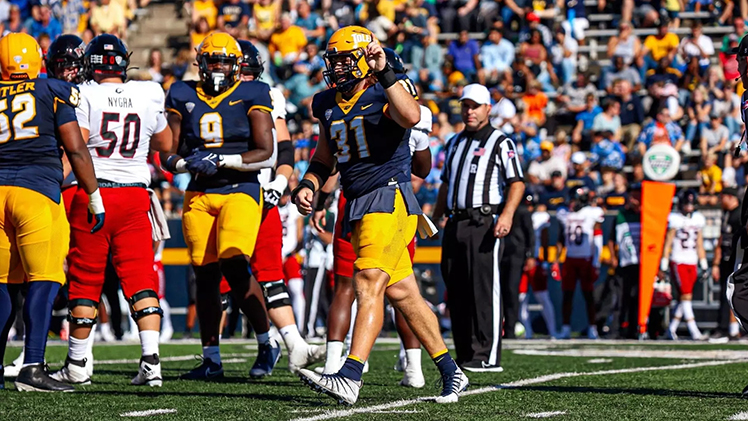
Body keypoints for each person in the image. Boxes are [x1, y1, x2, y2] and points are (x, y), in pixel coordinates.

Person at [293, 26, 466, 405]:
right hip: (357, 201)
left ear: (362, 60)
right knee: (404, 293)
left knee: (368, 281)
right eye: (332, 61)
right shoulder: (325, 103)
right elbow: (325, 156)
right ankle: (452, 372)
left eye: (343, 60)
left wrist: (385, 71)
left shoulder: (384, 89)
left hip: (389, 196)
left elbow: (411, 115)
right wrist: (308, 184)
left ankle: (350, 375)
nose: (336, 68)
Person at [50, 34, 171, 388]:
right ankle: (151, 362)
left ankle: (77, 364)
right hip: (135, 195)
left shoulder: (85, 92)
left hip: (94, 193)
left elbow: (78, 145)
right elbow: (165, 144)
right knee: (140, 277)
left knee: (85, 278)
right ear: (123, 61)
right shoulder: (149, 92)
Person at [162, 32, 281, 380]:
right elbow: (167, 151)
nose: (217, 67)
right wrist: (187, 165)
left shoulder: (254, 92)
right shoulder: (181, 93)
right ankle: (211, 358)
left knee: (235, 263)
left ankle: (266, 342)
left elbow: (265, 151)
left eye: (224, 61)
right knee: (204, 276)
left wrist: (224, 160)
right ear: (200, 63)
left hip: (240, 188)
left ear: (235, 65)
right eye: (211, 61)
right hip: (199, 192)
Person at [0, 32, 103, 392]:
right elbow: (75, 150)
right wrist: (94, 196)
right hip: (36, 192)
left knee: (2, 286)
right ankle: (32, 366)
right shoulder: (52, 90)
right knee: (44, 280)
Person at [433, 83, 525, 371]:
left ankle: (487, 354)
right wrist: (436, 216)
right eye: (465, 105)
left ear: (488, 108)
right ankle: (465, 352)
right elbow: (445, 182)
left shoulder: (500, 142)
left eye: (475, 106)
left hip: (483, 221)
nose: (469, 111)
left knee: (483, 288)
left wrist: (507, 216)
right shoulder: (454, 143)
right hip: (455, 220)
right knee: (456, 288)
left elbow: (517, 182)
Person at [555, 187, 604, 339]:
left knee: (588, 295)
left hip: (585, 259)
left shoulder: (591, 212)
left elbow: (597, 237)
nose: (571, 203)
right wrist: (556, 260)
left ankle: (592, 327)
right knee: (567, 295)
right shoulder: (564, 214)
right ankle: (565, 327)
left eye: (574, 200)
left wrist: (596, 262)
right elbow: (561, 238)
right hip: (570, 258)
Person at [661, 189, 707, 341]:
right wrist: (665, 261)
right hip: (678, 259)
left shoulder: (698, 219)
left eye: (691, 204)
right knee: (686, 295)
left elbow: (699, 243)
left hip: (692, 260)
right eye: (686, 204)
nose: (689, 207)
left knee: (685, 297)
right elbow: (668, 242)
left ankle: (671, 329)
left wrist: (703, 262)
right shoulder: (674, 219)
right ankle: (694, 331)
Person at [518, 194, 557, 338]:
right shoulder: (519, 215)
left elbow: (545, 240)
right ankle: (528, 331)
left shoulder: (540, 217)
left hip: (536, 261)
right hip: (521, 261)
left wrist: (545, 261)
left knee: (543, 297)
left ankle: (552, 331)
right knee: (521, 298)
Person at [607, 183, 642, 339]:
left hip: (640, 263)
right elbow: (611, 239)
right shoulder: (621, 215)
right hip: (624, 262)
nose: (634, 199)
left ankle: (634, 329)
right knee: (621, 298)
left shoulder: (646, 215)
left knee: (636, 298)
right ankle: (616, 329)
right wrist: (613, 257)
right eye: (632, 195)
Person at [500, 187, 535, 339]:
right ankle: (500, 327)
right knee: (499, 291)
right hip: (501, 253)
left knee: (512, 291)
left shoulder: (522, 211)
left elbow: (530, 235)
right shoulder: (499, 208)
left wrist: (530, 256)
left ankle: (510, 328)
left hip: (516, 255)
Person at [710, 187, 741, 342]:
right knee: (725, 295)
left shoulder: (740, 214)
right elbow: (721, 240)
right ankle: (724, 329)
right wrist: (715, 263)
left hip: (739, 261)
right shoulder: (726, 214)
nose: (720, 201)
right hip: (726, 260)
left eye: (722, 197)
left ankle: (732, 329)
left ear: (730, 197)